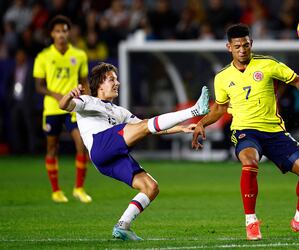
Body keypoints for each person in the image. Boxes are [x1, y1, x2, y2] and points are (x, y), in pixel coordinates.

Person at [192, 24, 299, 240]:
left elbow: (297, 80)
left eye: (246, 45)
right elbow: (219, 108)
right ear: (229, 47)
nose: (242, 50)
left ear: (251, 44)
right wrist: (202, 123)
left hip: (274, 131)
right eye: (237, 46)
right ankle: (251, 222)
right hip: (245, 130)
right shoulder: (222, 77)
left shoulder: (267, 64)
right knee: (250, 161)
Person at [59, 62, 210, 240]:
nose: (117, 83)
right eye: (111, 79)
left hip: (111, 159)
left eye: (117, 79)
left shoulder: (120, 111)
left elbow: (147, 126)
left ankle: (123, 226)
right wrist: (69, 95)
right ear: (99, 84)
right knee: (144, 126)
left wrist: (181, 129)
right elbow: (63, 105)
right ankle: (194, 110)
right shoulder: (87, 101)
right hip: (100, 145)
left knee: (151, 187)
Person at [33, 15, 92, 203]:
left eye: (64, 31)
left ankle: (79, 189)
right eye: (57, 31)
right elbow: (39, 85)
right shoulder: (43, 57)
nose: (61, 35)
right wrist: (56, 95)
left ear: (69, 32)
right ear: (52, 34)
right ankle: (56, 191)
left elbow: (84, 81)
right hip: (52, 108)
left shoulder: (79, 55)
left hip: (73, 108)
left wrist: (88, 100)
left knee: (81, 145)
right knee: (52, 147)